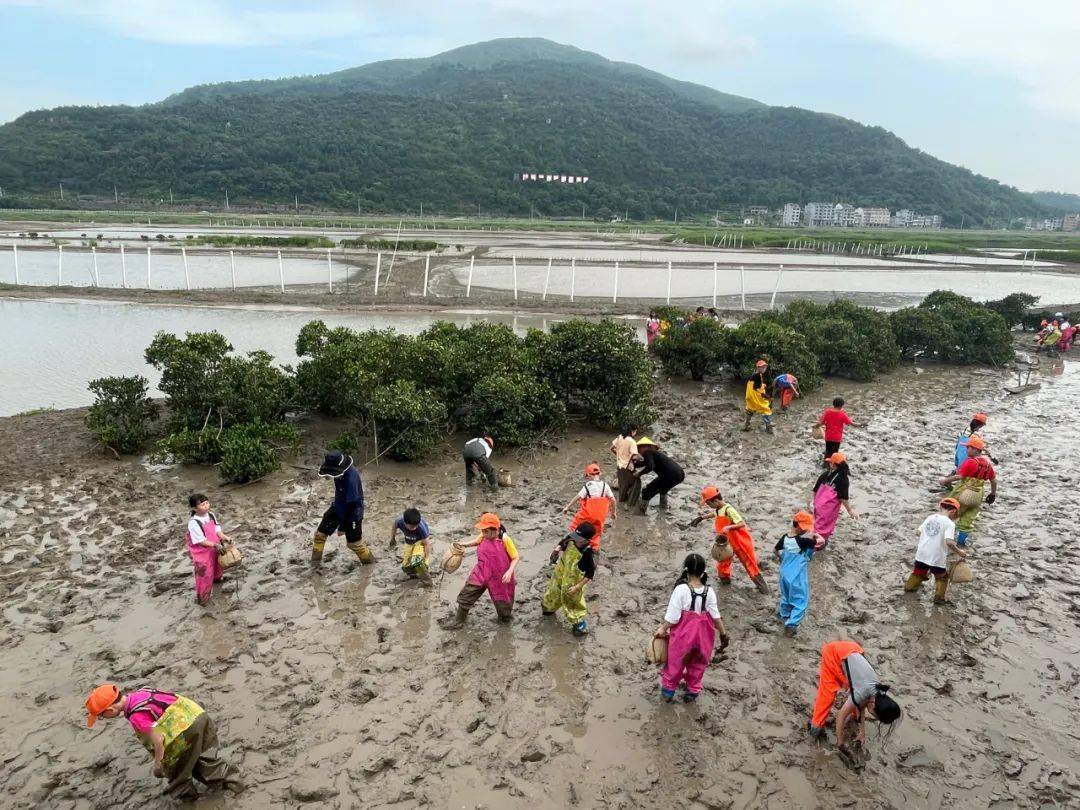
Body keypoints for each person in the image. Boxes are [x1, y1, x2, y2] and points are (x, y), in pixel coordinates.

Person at [85, 684, 243, 800]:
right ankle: (235, 783)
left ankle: (191, 801)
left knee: (177, 771)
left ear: (110, 711)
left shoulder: (136, 717)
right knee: (203, 756)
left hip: (183, 732)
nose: (102, 719)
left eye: (100, 716)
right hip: (197, 715)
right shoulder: (143, 691)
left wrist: (158, 763)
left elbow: (159, 739)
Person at [808, 641, 902, 763]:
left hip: (853, 650)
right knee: (828, 694)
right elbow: (840, 716)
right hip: (834, 653)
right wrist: (840, 744)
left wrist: (862, 732)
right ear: (873, 705)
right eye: (874, 715)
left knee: (852, 691)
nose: (872, 715)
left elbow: (862, 705)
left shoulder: (878, 692)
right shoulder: (864, 692)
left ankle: (853, 716)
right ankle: (815, 726)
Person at [655, 553, 729, 702]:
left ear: (686, 570)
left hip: (683, 636)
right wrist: (723, 635)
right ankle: (692, 692)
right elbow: (716, 617)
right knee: (698, 664)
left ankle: (668, 693)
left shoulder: (681, 590)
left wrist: (662, 629)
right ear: (703, 571)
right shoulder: (710, 592)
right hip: (704, 636)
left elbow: (673, 617)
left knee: (675, 663)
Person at [441, 513, 519, 628]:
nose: (483, 534)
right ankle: (459, 621)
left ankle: (504, 621)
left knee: (503, 603)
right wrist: (465, 544)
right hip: (481, 571)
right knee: (467, 594)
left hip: (500, 577)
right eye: (482, 531)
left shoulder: (505, 539)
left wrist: (509, 572)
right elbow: (477, 541)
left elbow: (515, 557)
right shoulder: (484, 535)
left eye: (486, 531)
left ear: (495, 529)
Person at [700, 486, 769, 593]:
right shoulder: (718, 509)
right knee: (723, 562)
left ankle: (763, 588)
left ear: (716, 501)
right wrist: (703, 517)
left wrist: (729, 527)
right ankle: (725, 581)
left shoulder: (729, 509)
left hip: (739, 541)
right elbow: (715, 514)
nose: (709, 506)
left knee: (749, 563)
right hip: (726, 543)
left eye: (709, 503)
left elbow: (741, 523)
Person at [312, 450, 373, 566]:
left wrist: (343, 527)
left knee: (354, 544)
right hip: (338, 506)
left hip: (353, 512)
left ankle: (370, 564)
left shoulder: (351, 479)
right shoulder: (338, 472)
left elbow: (352, 505)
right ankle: (314, 564)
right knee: (320, 535)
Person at [939, 435, 997, 547]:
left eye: (968, 448)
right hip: (978, 496)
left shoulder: (970, 462)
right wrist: (993, 494)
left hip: (964, 492)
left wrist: (945, 480)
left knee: (948, 512)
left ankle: (943, 538)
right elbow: (994, 481)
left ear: (975, 450)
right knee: (968, 520)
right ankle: (961, 543)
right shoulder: (988, 465)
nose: (966, 449)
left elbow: (958, 476)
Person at [542, 522, 597, 636]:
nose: (574, 539)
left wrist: (577, 587)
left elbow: (590, 574)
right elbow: (564, 541)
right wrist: (557, 549)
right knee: (553, 591)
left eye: (578, 538)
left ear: (587, 540)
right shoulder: (572, 538)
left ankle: (579, 624)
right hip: (561, 572)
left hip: (574, 581)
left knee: (573, 602)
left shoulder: (587, 553)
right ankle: (549, 607)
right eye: (574, 536)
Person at [905, 498, 963, 604]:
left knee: (918, 572)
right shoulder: (950, 524)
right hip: (936, 556)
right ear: (954, 511)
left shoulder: (930, 517)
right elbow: (949, 542)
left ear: (940, 507)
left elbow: (918, 532)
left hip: (922, 553)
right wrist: (959, 552)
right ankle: (939, 598)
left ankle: (910, 588)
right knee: (942, 577)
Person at [775, 511, 822, 636]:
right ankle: (791, 625)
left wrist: (781, 559)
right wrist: (816, 536)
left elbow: (775, 550)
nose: (806, 531)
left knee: (786, 595)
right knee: (800, 600)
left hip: (784, 574)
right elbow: (820, 543)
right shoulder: (803, 541)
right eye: (805, 528)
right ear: (799, 526)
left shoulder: (785, 538)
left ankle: (784, 614)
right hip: (797, 577)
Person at [186, 494, 233, 606]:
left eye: (207, 503)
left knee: (218, 565)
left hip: (214, 546)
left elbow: (217, 530)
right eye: (202, 504)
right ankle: (203, 597)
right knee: (205, 573)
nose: (206, 506)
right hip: (202, 551)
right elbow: (201, 541)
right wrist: (215, 545)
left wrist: (225, 537)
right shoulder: (194, 523)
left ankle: (216, 580)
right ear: (194, 508)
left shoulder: (211, 515)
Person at [562, 463, 617, 549]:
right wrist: (613, 513)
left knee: (575, 527)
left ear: (587, 475)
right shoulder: (605, 486)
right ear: (600, 473)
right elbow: (613, 500)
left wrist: (567, 507)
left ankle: (572, 543)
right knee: (596, 533)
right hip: (600, 517)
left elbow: (578, 497)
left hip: (587, 516)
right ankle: (593, 548)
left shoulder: (588, 485)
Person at [812, 453, 857, 545]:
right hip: (829, 508)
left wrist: (813, 502)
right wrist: (850, 510)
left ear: (833, 464)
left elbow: (815, 489)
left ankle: (815, 539)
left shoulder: (825, 474)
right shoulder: (844, 479)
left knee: (817, 523)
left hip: (818, 504)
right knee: (825, 524)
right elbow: (843, 497)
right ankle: (818, 544)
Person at [633, 437, 685, 514]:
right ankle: (663, 509)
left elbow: (650, 467)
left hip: (670, 475)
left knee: (647, 491)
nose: (638, 451)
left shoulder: (647, 452)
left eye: (638, 448)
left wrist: (639, 474)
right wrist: (633, 464)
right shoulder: (652, 453)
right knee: (663, 489)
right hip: (679, 474)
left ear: (644, 446)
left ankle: (641, 513)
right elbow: (643, 463)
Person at [389, 507, 432, 583]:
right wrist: (393, 538)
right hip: (409, 542)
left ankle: (427, 580)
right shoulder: (399, 521)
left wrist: (426, 559)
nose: (414, 528)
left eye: (416, 526)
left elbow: (426, 544)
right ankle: (414, 575)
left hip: (420, 542)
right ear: (405, 523)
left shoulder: (421, 528)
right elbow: (394, 526)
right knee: (406, 566)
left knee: (416, 561)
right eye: (412, 527)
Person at [816, 397, 863, 463]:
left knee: (828, 451)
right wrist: (861, 424)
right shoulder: (842, 414)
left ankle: (825, 463)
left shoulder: (827, 412)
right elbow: (852, 423)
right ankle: (832, 465)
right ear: (841, 405)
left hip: (828, 436)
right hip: (836, 438)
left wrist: (815, 427)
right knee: (835, 453)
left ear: (833, 404)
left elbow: (820, 423)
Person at [611, 426, 641, 505]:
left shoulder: (619, 437)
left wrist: (619, 455)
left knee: (622, 485)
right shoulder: (632, 442)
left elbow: (611, 448)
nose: (635, 433)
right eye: (635, 431)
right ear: (632, 431)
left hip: (619, 466)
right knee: (635, 482)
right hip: (628, 467)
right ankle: (630, 503)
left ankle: (621, 501)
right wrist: (640, 458)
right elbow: (634, 456)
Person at [743, 359, 774, 433]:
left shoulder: (755, 374)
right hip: (755, 396)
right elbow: (756, 388)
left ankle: (747, 426)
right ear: (758, 368)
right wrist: (766, 396)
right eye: (762, 367)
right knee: (766, 409)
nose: (764, 368)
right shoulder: (757, 375)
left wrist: (762, 385)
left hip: (749, 396)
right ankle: (769, 428)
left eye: (765, 367)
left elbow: (754, 385)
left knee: (750, 409)